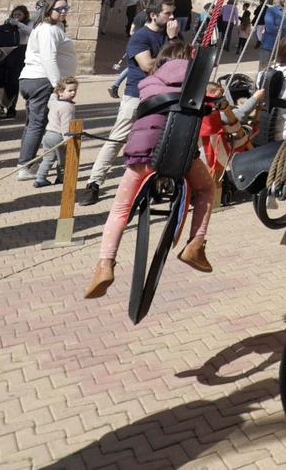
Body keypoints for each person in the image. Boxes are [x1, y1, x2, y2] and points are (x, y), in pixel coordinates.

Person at [84, 40, 215, 297]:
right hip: (179, 154)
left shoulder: (147, 84)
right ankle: (195, 243)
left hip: (140, 156)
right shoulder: (195, 83)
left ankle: (105, 264)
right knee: (207, 189)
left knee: (120, 209)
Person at [77, 2, 168, 204]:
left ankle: (154, 184)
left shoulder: (169, 36)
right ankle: (94, 183)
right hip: (136, 96)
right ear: (154, 15)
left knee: (157, 141)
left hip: (160, 96)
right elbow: (147, 65)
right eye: (167, 14)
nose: (171, 18)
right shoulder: (141, 37)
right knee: (117, 139)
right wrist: (170, 51)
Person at [16, 0, 75, 178]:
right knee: (37, 123)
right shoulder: (47, 30)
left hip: (37, 79)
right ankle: (25, 166)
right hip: (41, 80)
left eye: (66, 8)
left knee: (34, 123)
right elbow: (48, 58)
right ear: (49, 10)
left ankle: (27, 163)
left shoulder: (54, 28)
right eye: (59, 9)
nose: (63, 11)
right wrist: (58, 86)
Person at [24, 77, 81, 188]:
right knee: (62, 159)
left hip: (48, 135)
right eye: (70, 90)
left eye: (75, 90)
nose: (73, 93)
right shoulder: (68, 107)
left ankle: (40, 178)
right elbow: (66, 125)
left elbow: (51, 98)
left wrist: (55, 92)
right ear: (61, 92)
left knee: (48, 158)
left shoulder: (54, 102)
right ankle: (61, 178)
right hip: (58, 136)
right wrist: (67, 140)